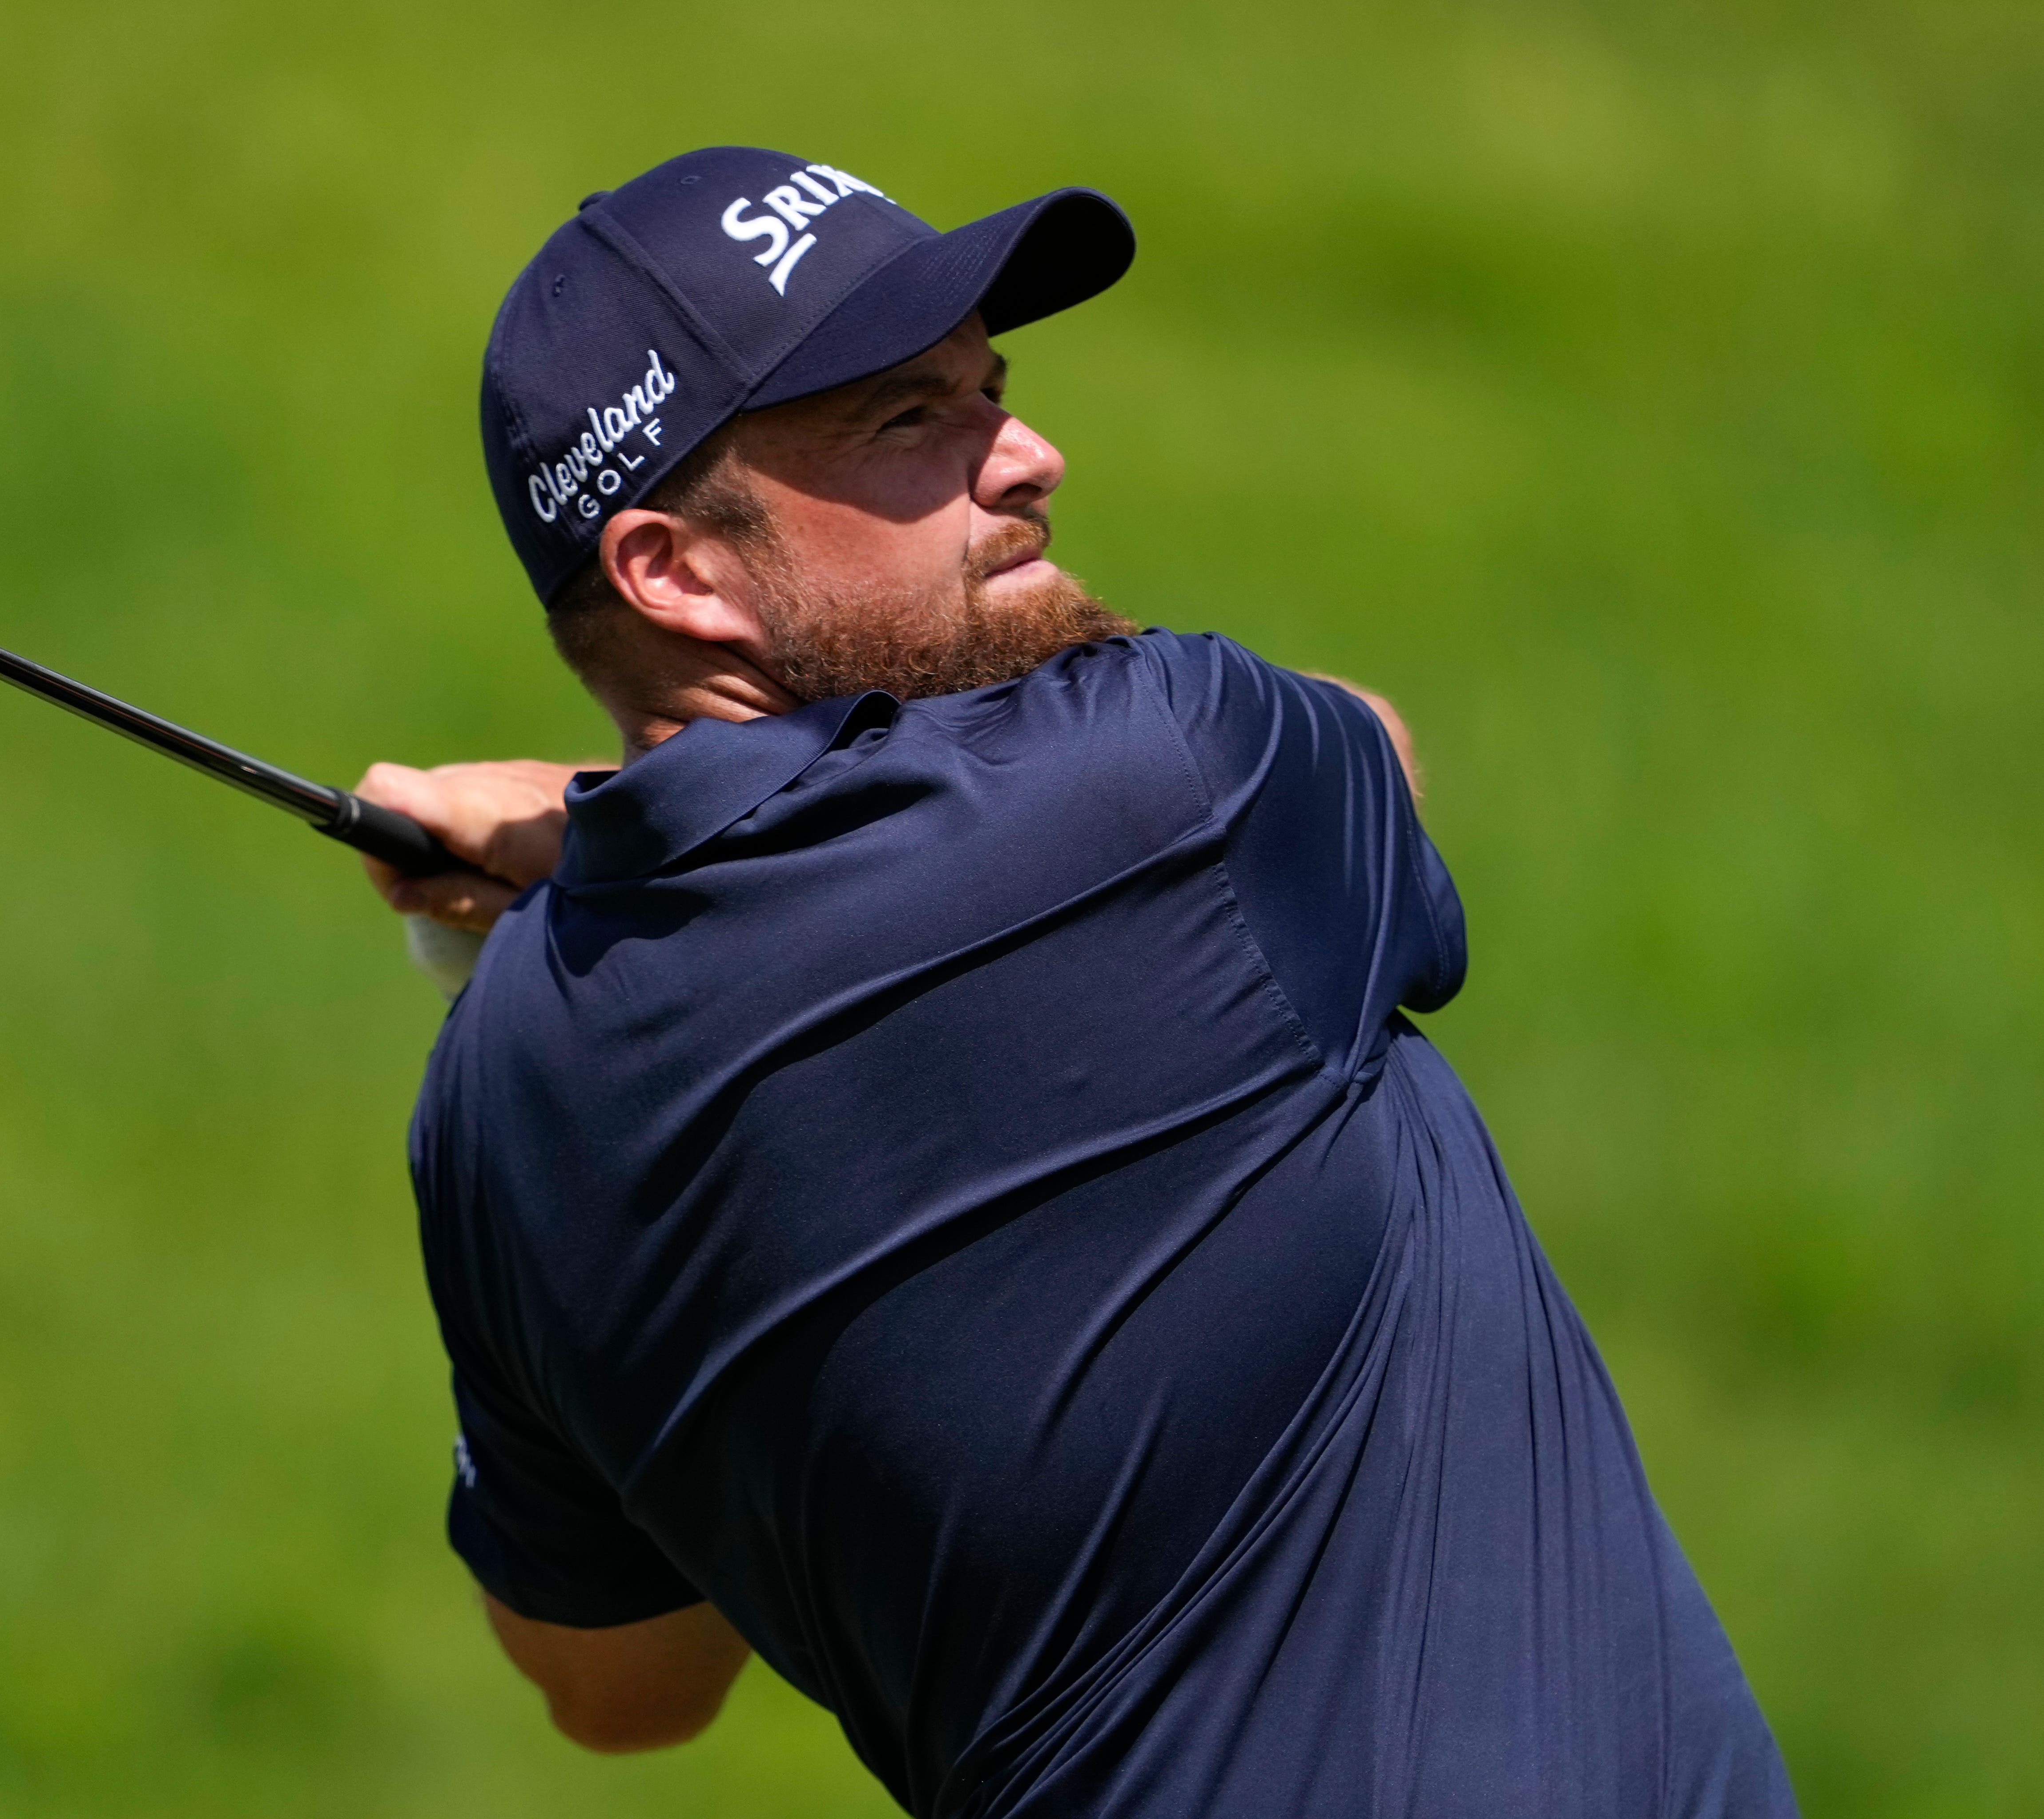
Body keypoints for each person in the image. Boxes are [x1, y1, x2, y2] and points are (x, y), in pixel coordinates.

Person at [353, 146, 1797, 1818]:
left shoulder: (497, 1103)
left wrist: (591, 874)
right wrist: (576, 830)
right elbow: (1376, 755)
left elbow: (619, 1685)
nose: (1029, 457)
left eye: (991, 388)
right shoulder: (1168, 781)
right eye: (909, 422)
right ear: (674, 570)